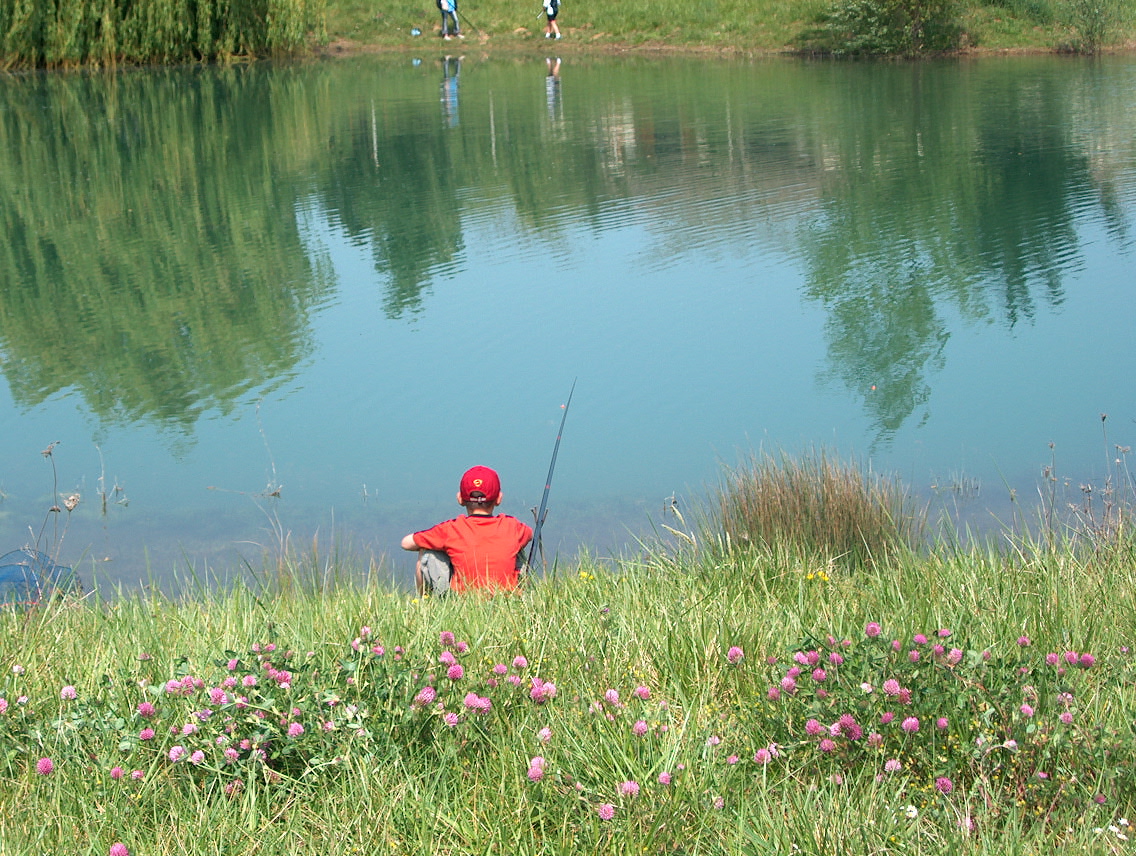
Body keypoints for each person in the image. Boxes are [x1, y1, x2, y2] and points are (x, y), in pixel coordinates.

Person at [401, 466, 532, 596]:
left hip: (462, 601)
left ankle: (427, 604)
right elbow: (530, 534)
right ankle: (521, 596)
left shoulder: (450, 529)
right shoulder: (513, 526)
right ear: (499, 499)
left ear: (460, 499)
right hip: (506, 601)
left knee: (426, 550)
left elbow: (406, 543)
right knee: (517, 546)